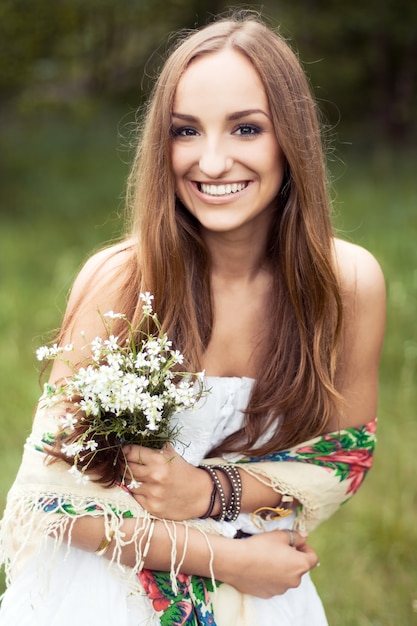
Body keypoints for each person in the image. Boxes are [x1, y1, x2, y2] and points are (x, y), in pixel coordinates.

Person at [0, 12, 385, 626]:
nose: (211, 161)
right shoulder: (123, 281)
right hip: (112, 591)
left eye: (245, 129)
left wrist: (211, 492)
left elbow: (345, 456)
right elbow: (49, 499)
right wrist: (224, 560)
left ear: (292, 138)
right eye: (185, 131)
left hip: (260, 595)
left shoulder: (346, 283)